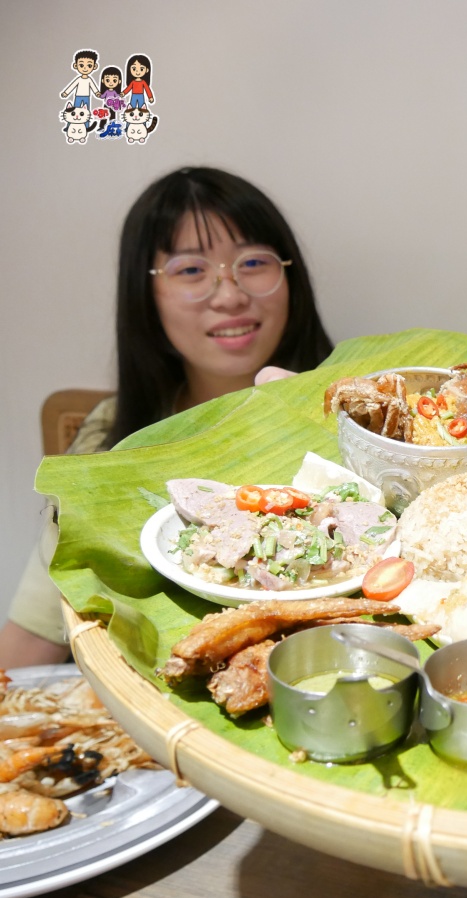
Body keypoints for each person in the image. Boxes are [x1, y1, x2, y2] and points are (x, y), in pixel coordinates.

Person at [0, 167, 334, 668]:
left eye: (254, 262)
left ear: (290, 274)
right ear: (145, 292)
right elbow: (32, 641)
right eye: (191, 270)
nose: (229, 294)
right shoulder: (106, 438)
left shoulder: (351, 415)